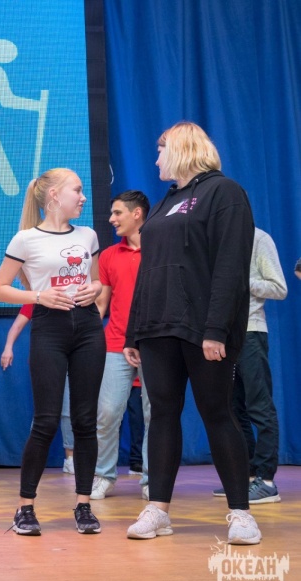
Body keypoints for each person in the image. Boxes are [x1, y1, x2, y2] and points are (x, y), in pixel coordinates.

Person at [124, 121, 258, 545]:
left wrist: (216, 329)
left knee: (218, 413)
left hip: (203, 329)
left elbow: (231, 267)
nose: (156, 159)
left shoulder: (224, 192)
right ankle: (158, 510)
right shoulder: (166, 202)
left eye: (160, 149)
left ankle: (241, 513)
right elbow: (148, 270)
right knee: (162, 414)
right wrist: (133, 332)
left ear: (181, 148)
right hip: (156, 327)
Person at [0, 168, 105, 536]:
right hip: (49, 329)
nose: (83, 197)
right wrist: (39, 295)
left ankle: (84, 505)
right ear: (55, 195)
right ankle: (25, 507)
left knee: (85, 421)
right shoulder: (26, 239)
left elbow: (97, 281)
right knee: (45, 421)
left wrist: (94, 289)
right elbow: (0, 289)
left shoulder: (88, 235)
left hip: (88, 328)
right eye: (77, 190)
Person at [212, 227, 286, 503]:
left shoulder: (259, 238)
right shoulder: (212, 238)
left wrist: (243, 280)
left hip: (251, 332)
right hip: (221, 336)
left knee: (259, 406)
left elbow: (279, 288)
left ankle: (266, 480)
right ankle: (246, 474)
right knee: (232, 408)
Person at [90, 190, 151, 501]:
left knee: (155, 415)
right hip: (115, 343)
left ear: (137, 213)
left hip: (155, 344)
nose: (111, 219)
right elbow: (102, 304)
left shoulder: (160, 250)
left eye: (117, 213)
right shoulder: (109, 256)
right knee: (107, 412)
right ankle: (103, 475)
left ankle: (153, 479)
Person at [1, 304, 75, 474]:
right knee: (44, 412)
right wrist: (8, 348)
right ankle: (34, 460)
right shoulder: (36, 300)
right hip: (46, 361)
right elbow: (17, 325)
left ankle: (70, 459)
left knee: (68, 410)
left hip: (71, 360)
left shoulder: (72, 298)